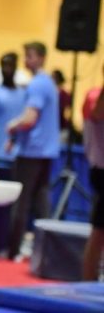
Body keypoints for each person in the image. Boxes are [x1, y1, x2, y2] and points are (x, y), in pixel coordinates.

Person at [5, 41, 60, 260]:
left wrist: (11, 126)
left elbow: (29, 118)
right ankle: (45, 251)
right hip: (46, 151)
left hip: (32, 151)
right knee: (42, 202)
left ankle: (13, 251)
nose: (27, 60)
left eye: (30, 56)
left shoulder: (37, 84)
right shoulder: (49, 83)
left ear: (42, 58)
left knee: (21, 203)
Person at [0, 52, 27, 256]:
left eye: (11, 65)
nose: (7, 69)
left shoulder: (23, 94)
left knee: (14, 208)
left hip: (17, 158)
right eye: (4, 65)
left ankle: (7, 246)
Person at [80, 65, 104, 281]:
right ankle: (87, 282)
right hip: (102, 171)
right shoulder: (93, 96)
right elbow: (98, 112)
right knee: (99, 231)